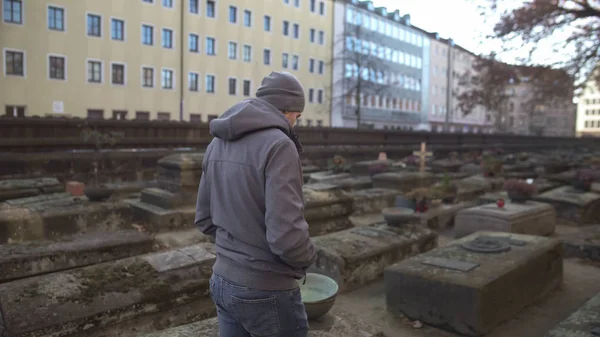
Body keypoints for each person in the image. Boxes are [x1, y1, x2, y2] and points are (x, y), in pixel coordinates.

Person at [195, 71, 317, 337]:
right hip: (266, 288)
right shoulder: (280, 145)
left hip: (222, 280)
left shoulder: (217, 143)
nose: (295, 125)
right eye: (297, 118)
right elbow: (286, 235)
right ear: (289, 111)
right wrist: (308, 257)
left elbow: (204, 218)